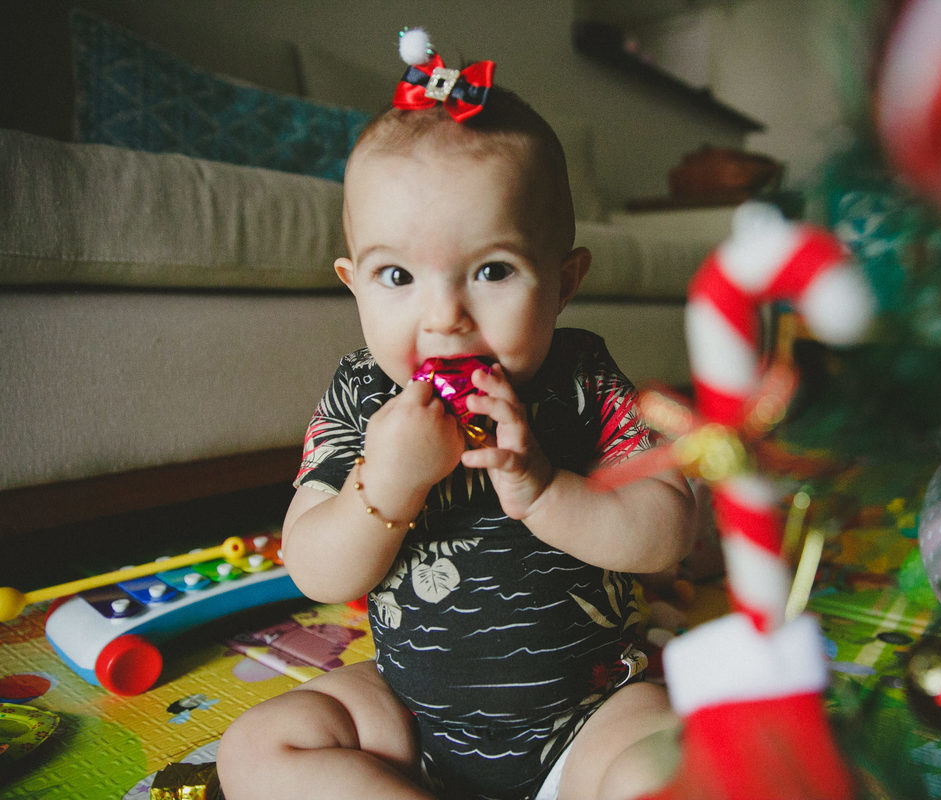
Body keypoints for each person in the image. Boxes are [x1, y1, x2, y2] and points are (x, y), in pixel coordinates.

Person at [217, 37, 696, 800]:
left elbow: (667, 533)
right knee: (255, 750)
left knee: (671, 765)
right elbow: (314, 566)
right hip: (409, 717)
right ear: (353, 283)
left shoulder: (583, 379)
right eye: (397, 275)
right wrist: (387, 485)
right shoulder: (358, 396)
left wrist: (543, 490)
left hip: (586, 707)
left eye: (493, 271)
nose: (445, 318)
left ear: (564, 282)